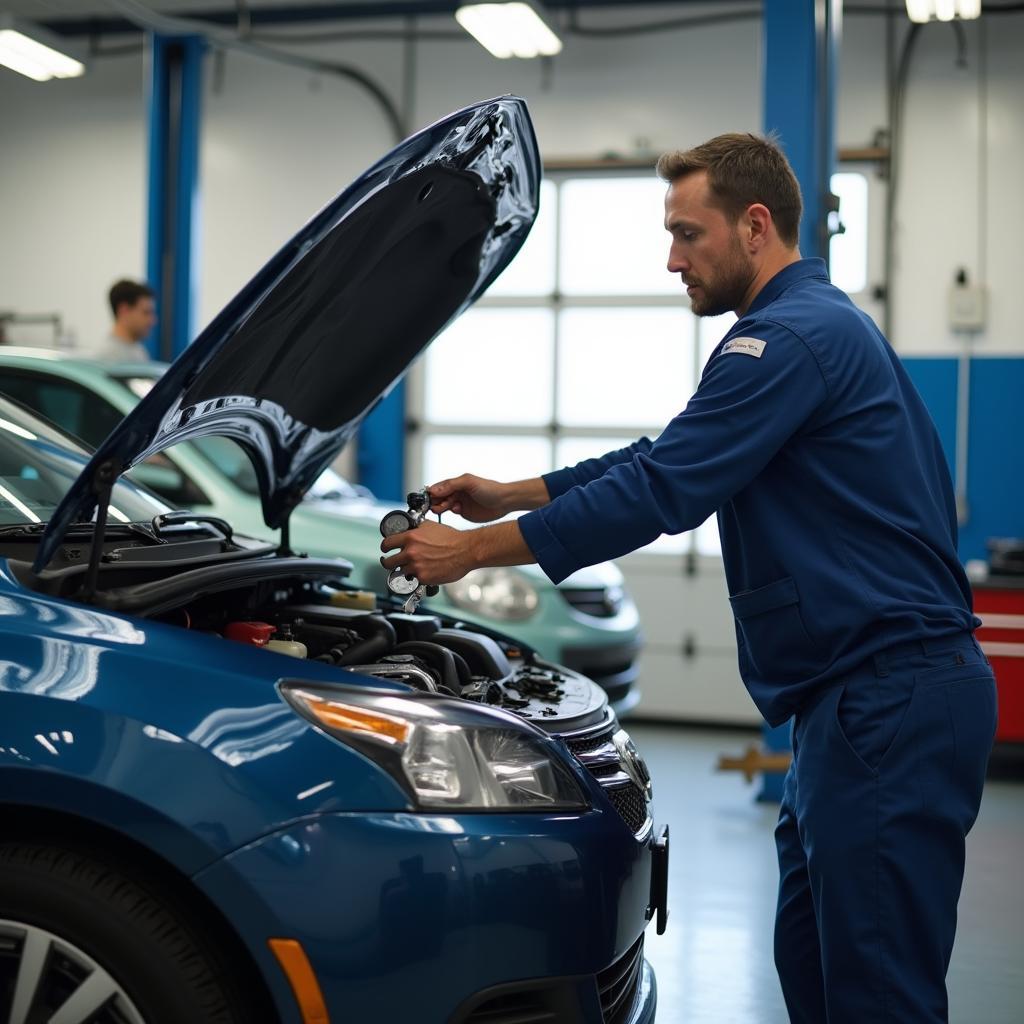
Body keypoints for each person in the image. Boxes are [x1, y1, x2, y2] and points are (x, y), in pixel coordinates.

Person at [381, 133, 997, 1023]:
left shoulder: (786, 339)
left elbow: (665, 489)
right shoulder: (804, 332)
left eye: (686, 233)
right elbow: (665, 455)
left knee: (876, 994)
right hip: (860, 707)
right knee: (821, 972)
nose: (671, 260)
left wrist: (473, 552)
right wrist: (509, 494)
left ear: (754, 226)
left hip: (888, 702)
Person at [90, 279, 156, 361]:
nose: (153, 321)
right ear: (124, 310)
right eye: (146, 312)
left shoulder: (139, 351)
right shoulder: (105, 357)